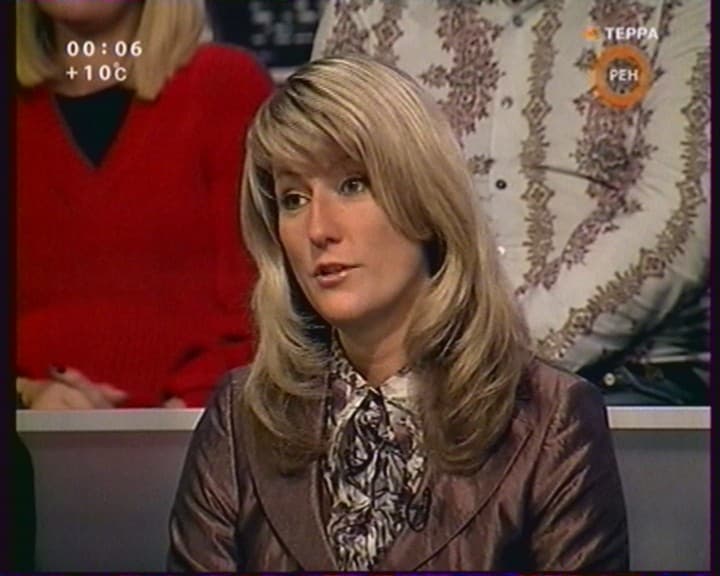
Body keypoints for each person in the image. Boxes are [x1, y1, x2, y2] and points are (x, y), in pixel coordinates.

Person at [167, 55, 628, 572]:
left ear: (424, 201)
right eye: (293, 199)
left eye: (352, 185)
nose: (318, 229)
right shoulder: (241, 417)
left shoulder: (550, 419)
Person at [311, 0, 710, 405]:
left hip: (623, 382)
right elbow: (321, 186)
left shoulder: (672, 9)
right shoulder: (366, 10)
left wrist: (490, 361)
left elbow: (682, 215)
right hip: (402, 379)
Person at [15, 0, 274, 408]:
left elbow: (262, 304)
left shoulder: (225, 86)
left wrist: (192, 415)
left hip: (199, 427)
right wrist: (27, 397)